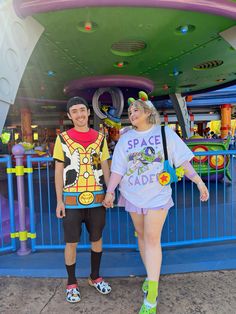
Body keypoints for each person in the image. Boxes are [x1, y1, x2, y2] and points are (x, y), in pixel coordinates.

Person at [103, 96, 209, 314]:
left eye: (136, 110)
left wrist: (199, 182)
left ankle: (151, 294)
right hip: (132, 195)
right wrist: (110, 190)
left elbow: (182, 161)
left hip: (157, 196)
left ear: (148, 112)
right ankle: (151, 276)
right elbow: (118, 169)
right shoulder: (125, 138)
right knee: (141, 237)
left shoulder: (164, 133)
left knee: (152, 239)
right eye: (130, 112)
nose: (132, 114)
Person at [53, 96, 111, 303]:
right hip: (71, 202)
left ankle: (95, 277)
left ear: (88, 112)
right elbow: (59, 171)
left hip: (97, 199)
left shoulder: (100, 138)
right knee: (71, 243)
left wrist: (110, 191)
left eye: (82, 110)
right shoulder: (62, 139)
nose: (79, 114)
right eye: (74, 111)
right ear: (70, 116)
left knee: (97, 239)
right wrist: (59, 200)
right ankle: (71, 283)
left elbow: (104, 165)